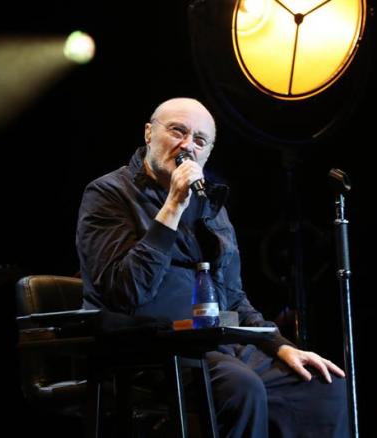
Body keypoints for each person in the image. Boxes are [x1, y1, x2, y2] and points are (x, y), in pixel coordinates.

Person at [76, 97, 350, 437]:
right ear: (148, 133)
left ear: (206, 155)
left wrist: (281, 345)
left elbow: (234, 300)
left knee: (324, 386)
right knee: (240, 387)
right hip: (145, 350)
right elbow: (125, 292)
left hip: (215, 345)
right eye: (178, 130)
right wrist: (173, 206)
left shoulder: (210, 204)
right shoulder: (107, 194)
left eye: (200, 140)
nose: (187, 145)